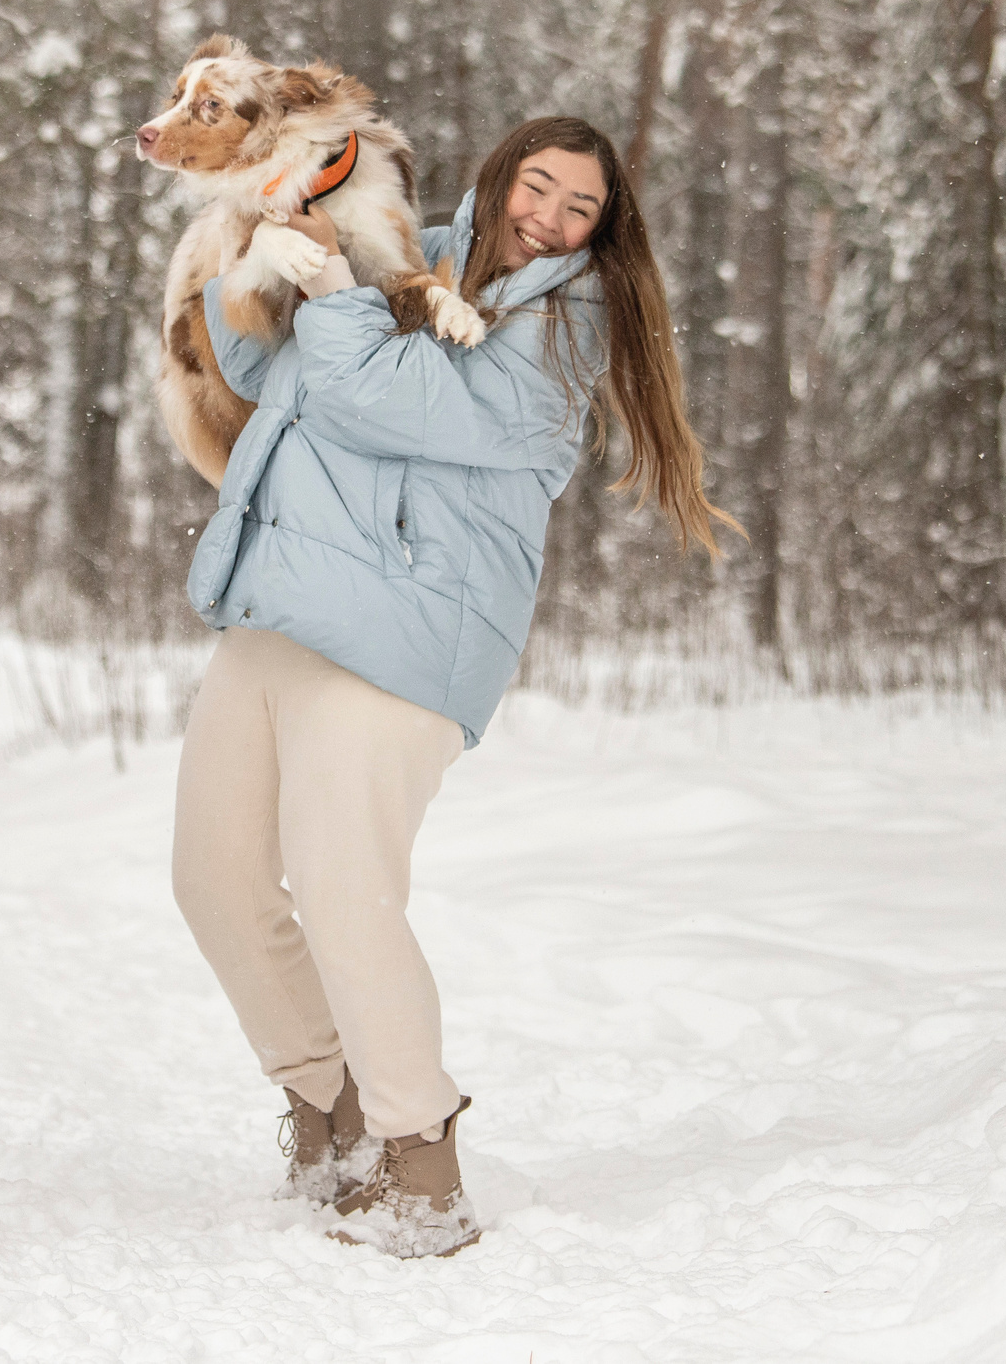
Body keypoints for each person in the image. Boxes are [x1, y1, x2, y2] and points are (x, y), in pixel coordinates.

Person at [172, 116, 729, 1259]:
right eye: (537, 187)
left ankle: (419, 1164)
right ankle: (328, 1115)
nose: (549, 217)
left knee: (340, 889)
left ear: (601, 229)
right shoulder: (408, 247)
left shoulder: (568, 327)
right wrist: (262, 263)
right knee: (215, 875)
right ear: (498, 175)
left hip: (411, 632)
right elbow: (258, 371)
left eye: (579, 207)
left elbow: (387, 402)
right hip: (287, 594)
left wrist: (332, 299)